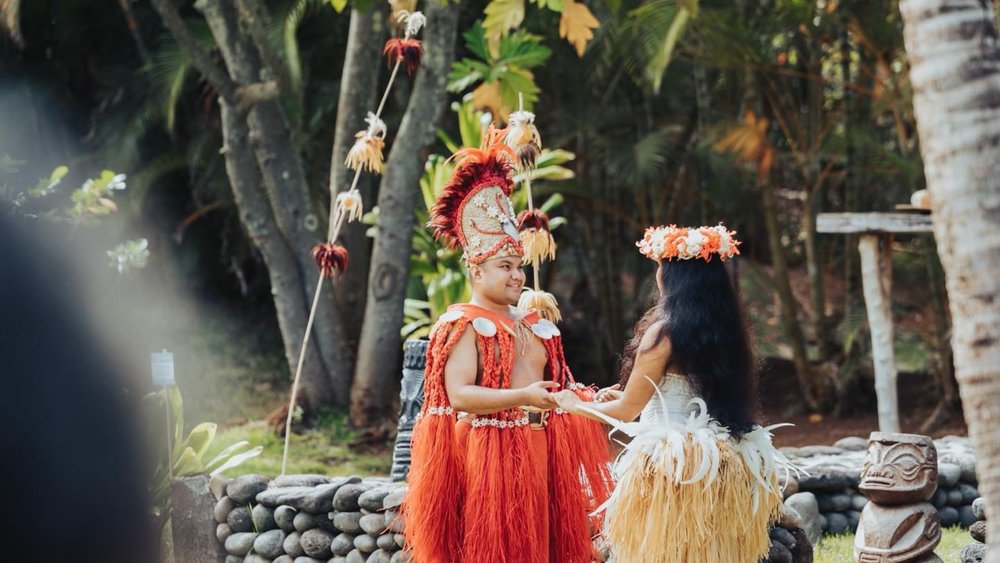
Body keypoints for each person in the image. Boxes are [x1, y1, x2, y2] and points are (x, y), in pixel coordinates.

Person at [403, 127, 613, 563]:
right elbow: (459, 396)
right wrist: (522, 397)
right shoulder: (462, 323)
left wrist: (592, 400)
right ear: (476, 271)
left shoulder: (535, 325)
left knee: (542, 547)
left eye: (518, 266)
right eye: (504, 266)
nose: (517, 276)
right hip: (487, 460)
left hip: (541, 455)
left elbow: (553, 390)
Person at [554, 224, 795, 563]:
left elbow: (626, 412)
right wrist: (603, 400)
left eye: (660, 267)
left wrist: (573, 404)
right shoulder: (727, 335)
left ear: (673, 276)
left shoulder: (664, 334)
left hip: (672, 466)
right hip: (720, 461)